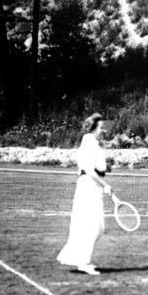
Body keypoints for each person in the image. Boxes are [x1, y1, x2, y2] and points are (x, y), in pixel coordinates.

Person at [57, 113, 111, 275]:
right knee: (92, 225)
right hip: (88, 185)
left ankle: (81, 259)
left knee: (98, 226)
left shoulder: (94, 143)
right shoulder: (89, 141)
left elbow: (95, 166)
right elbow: (88, 169)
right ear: (94, 129)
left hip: (93, 186)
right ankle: (83, 262)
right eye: (101, 127)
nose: (104, 130)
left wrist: (104, 170)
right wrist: (105, 184)